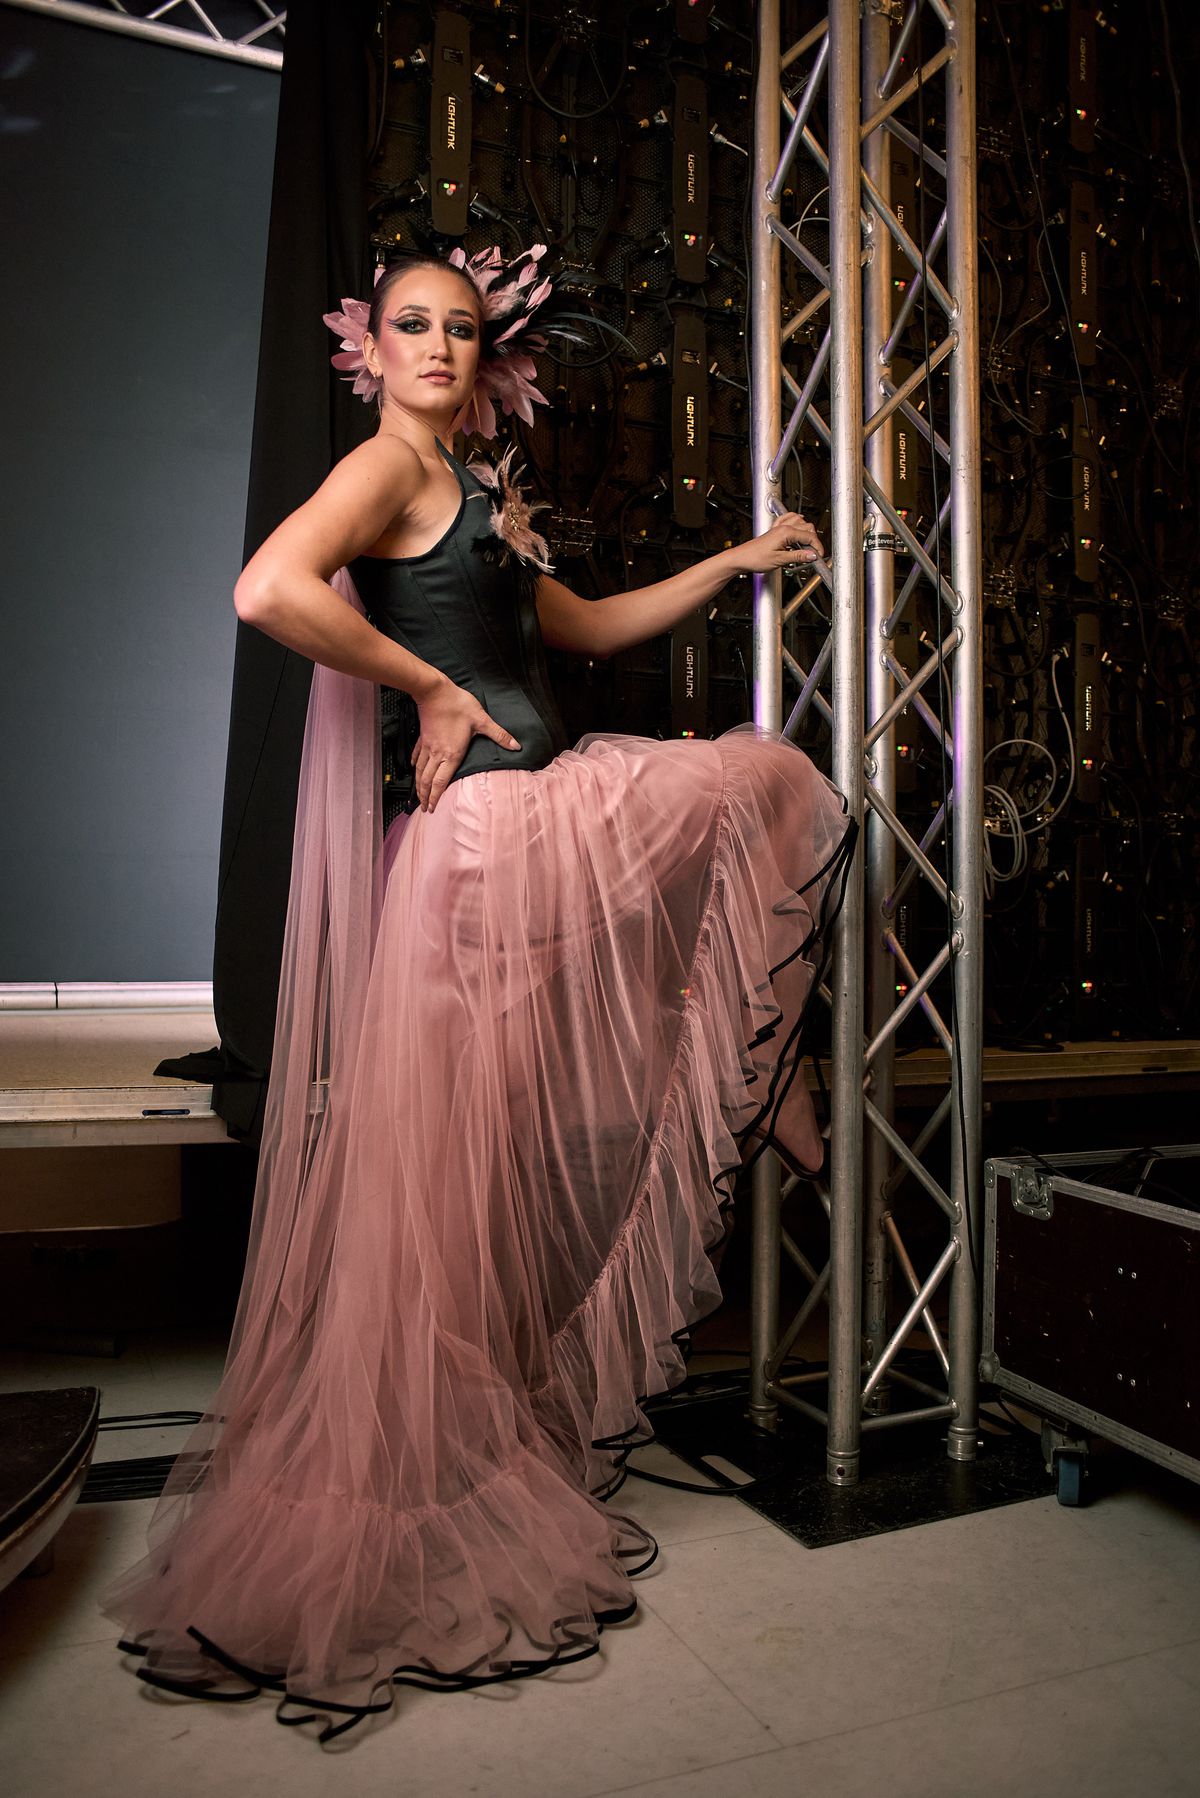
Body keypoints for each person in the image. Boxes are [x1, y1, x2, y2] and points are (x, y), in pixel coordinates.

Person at [98, 245, 855, 1743]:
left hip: (524, 834)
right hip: (491, 840)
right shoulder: (386, 467)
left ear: (483, 352)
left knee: (493, 1154)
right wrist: (430, 688)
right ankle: (764, 1074)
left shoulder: (470, 481)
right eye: (413, 326)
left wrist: (730, 565)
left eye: (460, 326)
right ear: (370, 351)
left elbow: (582, 629)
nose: (440, 347)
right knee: (756, 794)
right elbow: (267, 588)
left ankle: (758, 1070)